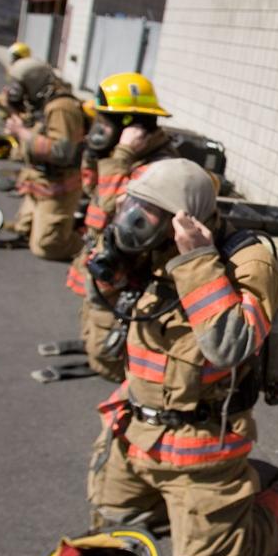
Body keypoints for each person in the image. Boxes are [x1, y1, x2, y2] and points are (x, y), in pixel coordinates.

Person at [85, 158, 278, 556]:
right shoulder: (148, 249)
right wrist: (108, 267)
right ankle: (187, 506)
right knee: (115, 522)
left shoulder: (248, 262)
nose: (134, 223)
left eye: (148, 214)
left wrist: (195, 260)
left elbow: (229, 346)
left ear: (185, 219)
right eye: (133, 210)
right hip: (135, 430)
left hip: (201, 444)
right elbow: (105, 351)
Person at [63, 72, 182, 382]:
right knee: (91, 319)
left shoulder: (156, 168)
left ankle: (128, 371)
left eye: (105, 121)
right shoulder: (120, 157)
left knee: (106, 358)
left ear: (131, 125)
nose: (99, 128)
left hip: (127, 270)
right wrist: (95, 152)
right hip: (103, 261)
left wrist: (120, 156)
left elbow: (107, 212)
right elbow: (91, 190)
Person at [2, 57, 86, 260]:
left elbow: (62, 153)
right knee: (23, 231)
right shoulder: (42, 102)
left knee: (47, 247)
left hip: (60, 187)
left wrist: (22, 132)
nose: (14, 90)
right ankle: (60, 224)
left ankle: (90, 246)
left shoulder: (62, 108)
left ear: (31, 83)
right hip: (41, 183)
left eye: (18, 85)